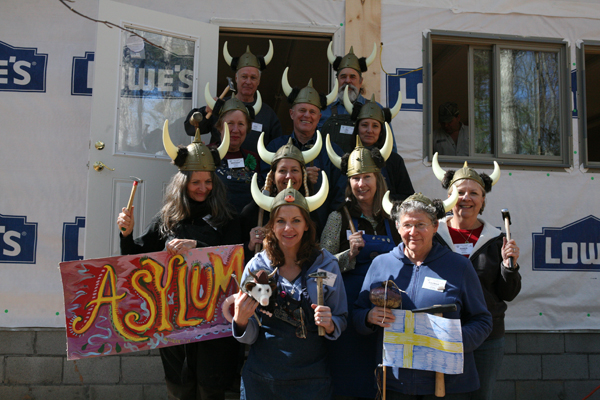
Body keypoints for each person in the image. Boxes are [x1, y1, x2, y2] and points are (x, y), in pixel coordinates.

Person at [117, 122, 242, 400]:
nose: (203, 188)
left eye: (208, 181)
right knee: (179, 387)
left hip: (215, 322)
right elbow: (134, 257)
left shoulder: (227, 219)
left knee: (210, 387)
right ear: (182, 182)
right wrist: (126, 234)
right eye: (196, 182)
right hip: (173, 320)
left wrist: (198, 247)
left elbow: (236, 260)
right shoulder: (167, 219)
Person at [353, 191, 493, 399]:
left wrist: (456, 340)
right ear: (398, 227)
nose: (413, 232)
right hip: (394, 384)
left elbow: (483, 320)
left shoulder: (459, 266)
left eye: (421, 225)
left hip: (449, 385)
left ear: (435, 227)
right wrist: (368, 317)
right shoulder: (381, 264)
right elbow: (358, 313)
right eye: (407, 225)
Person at [232, 173, 348, 400]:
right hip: (262, 381)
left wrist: (331, 324)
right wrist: (241, 321)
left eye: (296, 220)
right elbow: (249, 335)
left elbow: (341, 316)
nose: (288, 228)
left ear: (306, 225)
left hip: (312, 382)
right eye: (281, 221)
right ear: (271, 226)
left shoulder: (326, 263)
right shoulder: (257, 266)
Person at [431, 153, 522, 400]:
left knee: (480, 395)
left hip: (487, 337)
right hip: (439, 332)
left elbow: (508, 294)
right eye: (459, 192)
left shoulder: (497, 239)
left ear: (482, 201)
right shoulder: (431, 234)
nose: (466, 198)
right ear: (448, 197)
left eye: (474, 193)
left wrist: (508, 267)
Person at [321, 124, 401, 399]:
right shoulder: (337, 218)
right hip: (349, 312)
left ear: (378, 180)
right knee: (350, 380)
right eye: (355, 178)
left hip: (389, 315)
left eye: (367, 177)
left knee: (383, 382)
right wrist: (348, 256)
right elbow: (321, 271)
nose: (361, 184)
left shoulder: (394, 220)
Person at [265, 68, 345, 233]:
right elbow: (264, 187)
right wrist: (299, 178)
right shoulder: (274, 148)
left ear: (319, 116)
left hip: (320, 232)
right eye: (302, 110)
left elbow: (340, 199)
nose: (307, 115)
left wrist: (329, 234)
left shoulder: (333, 151)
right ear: (292, 113)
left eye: (312, 111)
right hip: (283, 232)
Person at [184, 40, 282, 153]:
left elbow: (277, 149)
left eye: (253, 78)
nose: (248, 82)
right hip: (219, 167)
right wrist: (206, 111)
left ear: (259, 81)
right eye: (244, 76)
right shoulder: (219, 106)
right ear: (236, 78)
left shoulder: (268, 114)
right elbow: (190, 129)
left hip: (255, 169)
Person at [241, 132, 322, 262]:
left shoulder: (311, 212)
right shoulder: (252, 212)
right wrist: (249, 246)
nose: (289, 176)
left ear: (303, 176)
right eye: (282, 171)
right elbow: (231, 260)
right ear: (272, 176)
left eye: (295, 170)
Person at [319, 42, 397, 154]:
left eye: (352, 77)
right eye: (343, 77)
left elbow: (391, 150)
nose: (347, 81)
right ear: (337, 81)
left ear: (360, 82)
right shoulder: (324, 111)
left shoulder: (377, 110)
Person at [340, 86, 414, 201]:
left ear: (381, 131)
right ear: (357, 128)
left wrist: (381, 201)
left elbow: (408, 197)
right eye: (364, 125)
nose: (369, 130)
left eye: (375, 126)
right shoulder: (346, 159)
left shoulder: (395, 160)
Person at [206, 89, 262, 213]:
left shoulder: (254, 158)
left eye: (241, 124)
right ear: (220, 126)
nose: (235, 130)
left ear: (247, 128)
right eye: (230, 123)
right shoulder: (206, 154)